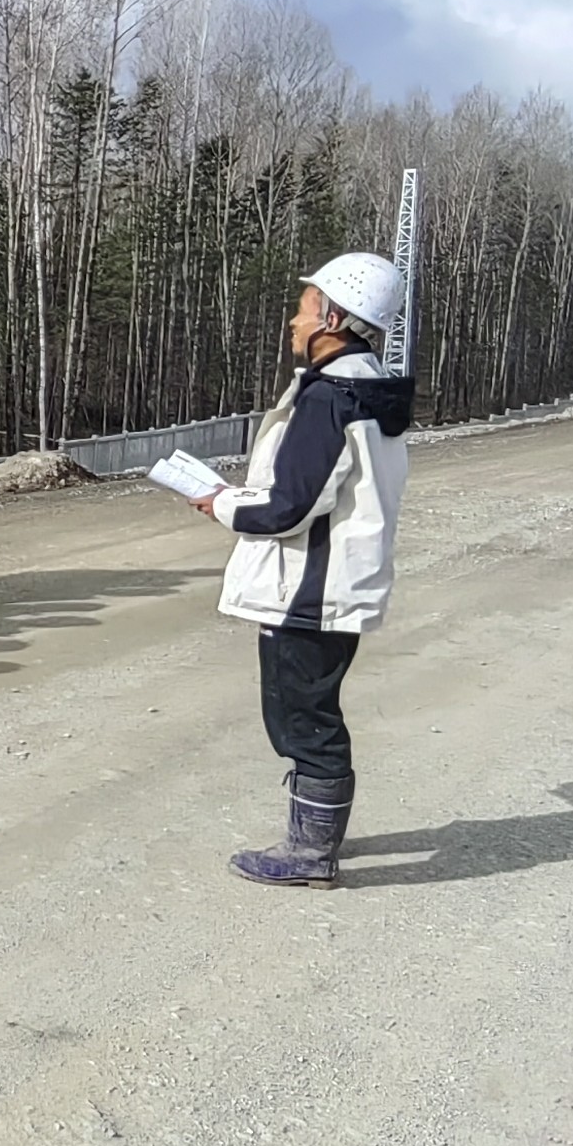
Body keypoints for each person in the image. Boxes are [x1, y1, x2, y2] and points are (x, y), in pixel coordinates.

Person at [194, 253, 412, 888]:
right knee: (310, 710)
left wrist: (220, 503)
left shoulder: (331, 397)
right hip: (334, 583)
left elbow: (288, 506)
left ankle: (310, 853)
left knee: (303, 717)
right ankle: (312, 838)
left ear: (333, 318)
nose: (294, 320)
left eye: (305, 306)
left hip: (308, 590)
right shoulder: (367, 388)